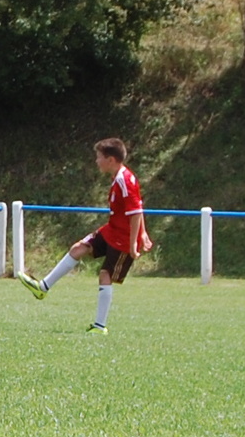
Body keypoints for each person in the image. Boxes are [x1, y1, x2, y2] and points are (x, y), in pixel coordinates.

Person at [18, 138, 151, 331]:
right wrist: (144, 233)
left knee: (105, 275)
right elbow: (137, 208)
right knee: (79, 248)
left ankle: (100, 326)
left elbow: (136, 213)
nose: (96, 161)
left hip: (123, 238)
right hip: (112, 230)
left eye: (99, 157)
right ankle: (43, 287)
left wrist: (134, 243)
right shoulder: (119, 177)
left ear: (111, 160)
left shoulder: (125, 181)